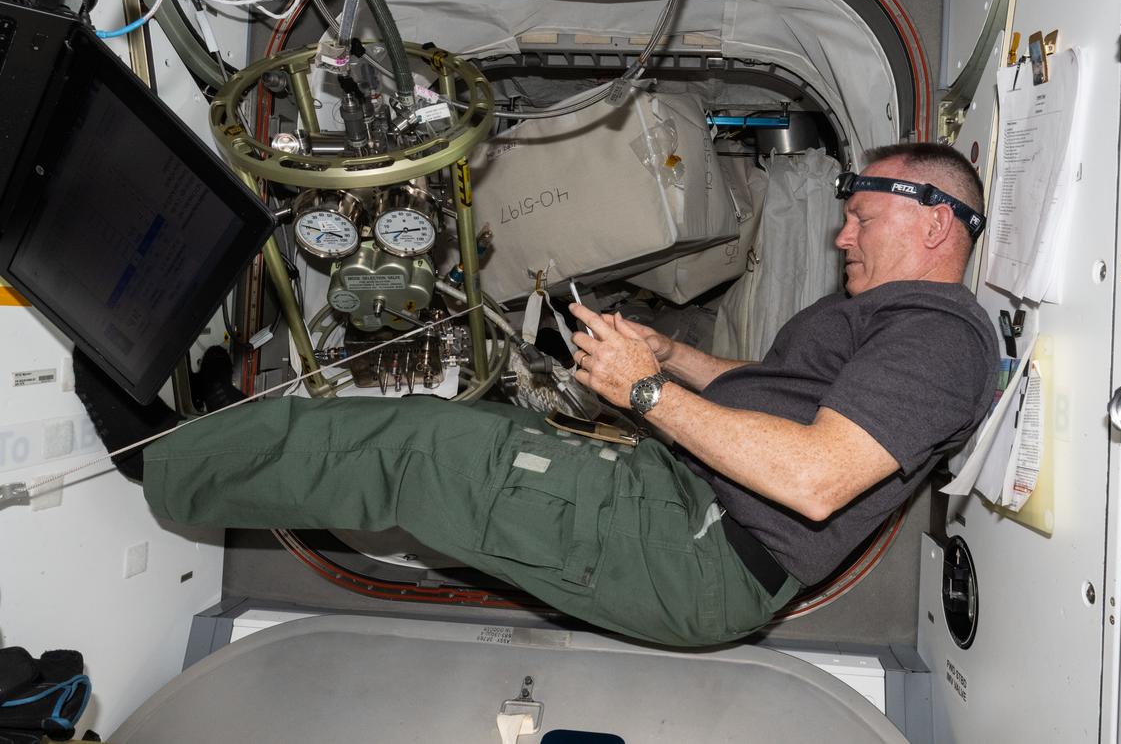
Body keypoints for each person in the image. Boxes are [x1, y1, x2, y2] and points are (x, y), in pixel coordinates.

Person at [80, 141, 999, 647]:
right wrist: (667, 356)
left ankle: (160, 461)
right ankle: (219, 433)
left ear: (932, 217)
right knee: (464, 426)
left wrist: (640, 391)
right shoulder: (896, 322)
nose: (842, 236)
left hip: (704, 555)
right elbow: (766, 396)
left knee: (418, 453)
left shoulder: (943, 339)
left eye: (861, 216)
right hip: (688, 512)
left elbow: (814, 478)